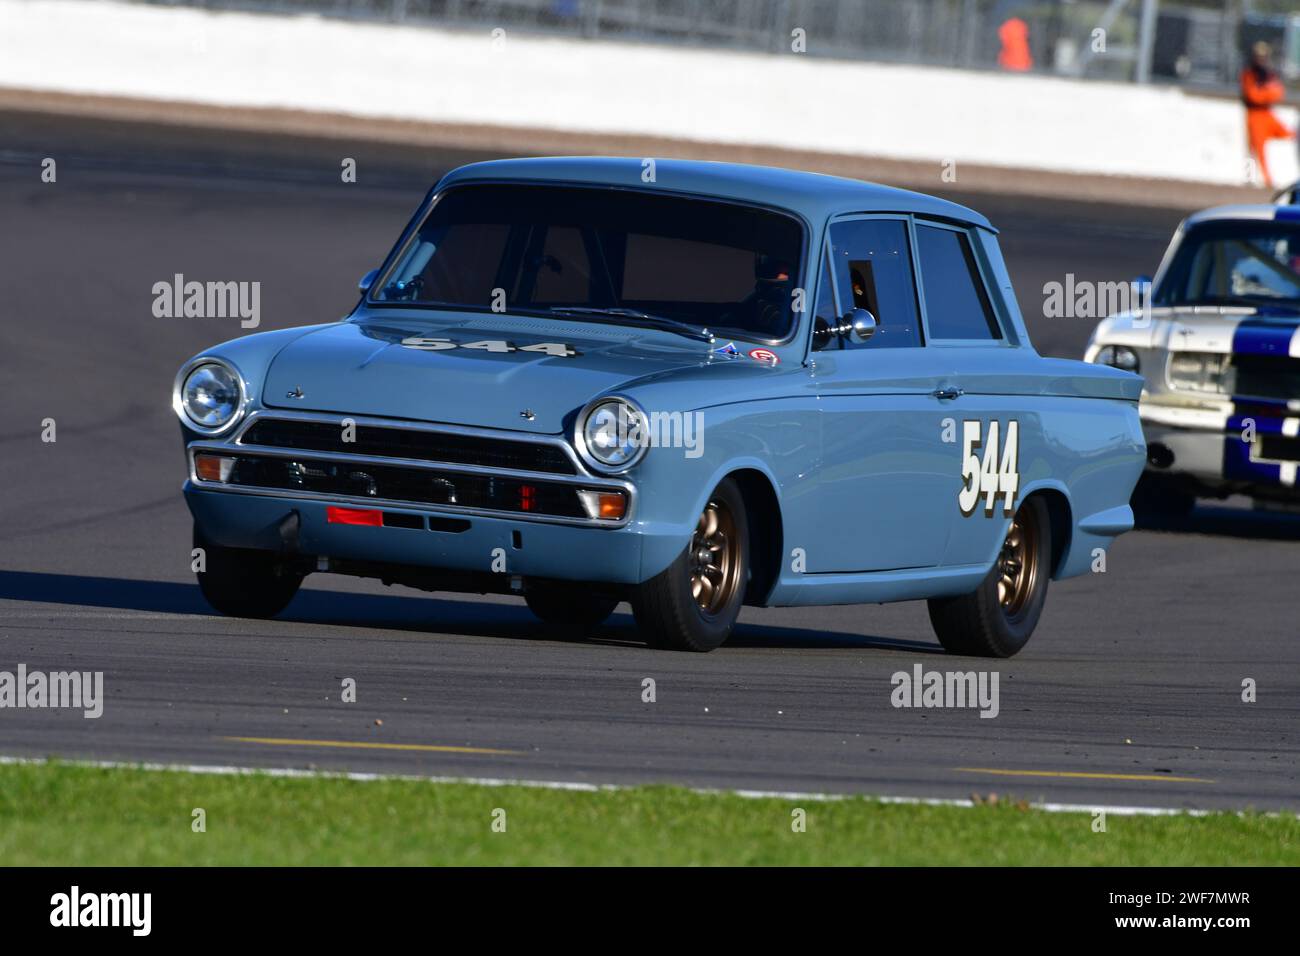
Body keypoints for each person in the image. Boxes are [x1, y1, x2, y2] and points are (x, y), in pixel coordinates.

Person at [1241, 41, 1294, 188]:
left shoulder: (1269, 74)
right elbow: (1252, 95)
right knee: (1254, 149)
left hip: (1267, 113)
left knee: (1290, 134)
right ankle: (1252, 178)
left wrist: (1265, 94)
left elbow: (1278, 92)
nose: (1261, 59)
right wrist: (1267, 94)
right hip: (1254, 114)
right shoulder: (1249, 74)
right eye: (1259, 56)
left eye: (1263, 56)